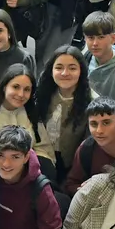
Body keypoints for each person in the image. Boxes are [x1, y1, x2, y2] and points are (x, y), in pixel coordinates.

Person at [0, 62, 54, 164]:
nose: (21, 94)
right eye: (16, 87)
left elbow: (45, 149)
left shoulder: (31, 112)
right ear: (4, 87)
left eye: (27, 89)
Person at [34, 46, 93, 181]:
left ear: (81, 71)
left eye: (72, 68)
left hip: (72, 168)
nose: (65, 73)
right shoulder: (41, 94)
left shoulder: (91, 102)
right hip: (40, 159)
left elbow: (89, 147)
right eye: (59, 68)